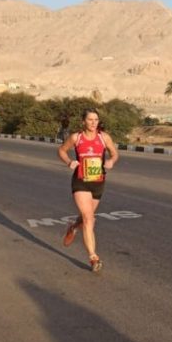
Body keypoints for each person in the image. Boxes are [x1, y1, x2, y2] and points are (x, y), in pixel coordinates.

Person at [57, 109, 118, 273]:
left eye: (96, 119)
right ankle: (93, 257)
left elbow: (114, 153)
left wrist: (111, 161)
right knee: (89, 218)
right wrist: (69, 162)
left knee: (85, 219)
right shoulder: (76, 137)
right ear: (83, 121)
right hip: (80, 182)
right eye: (90, 120)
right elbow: (61, 150)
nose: (93, 123)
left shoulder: (104, 137)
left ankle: (73, 228)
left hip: (98, 183)